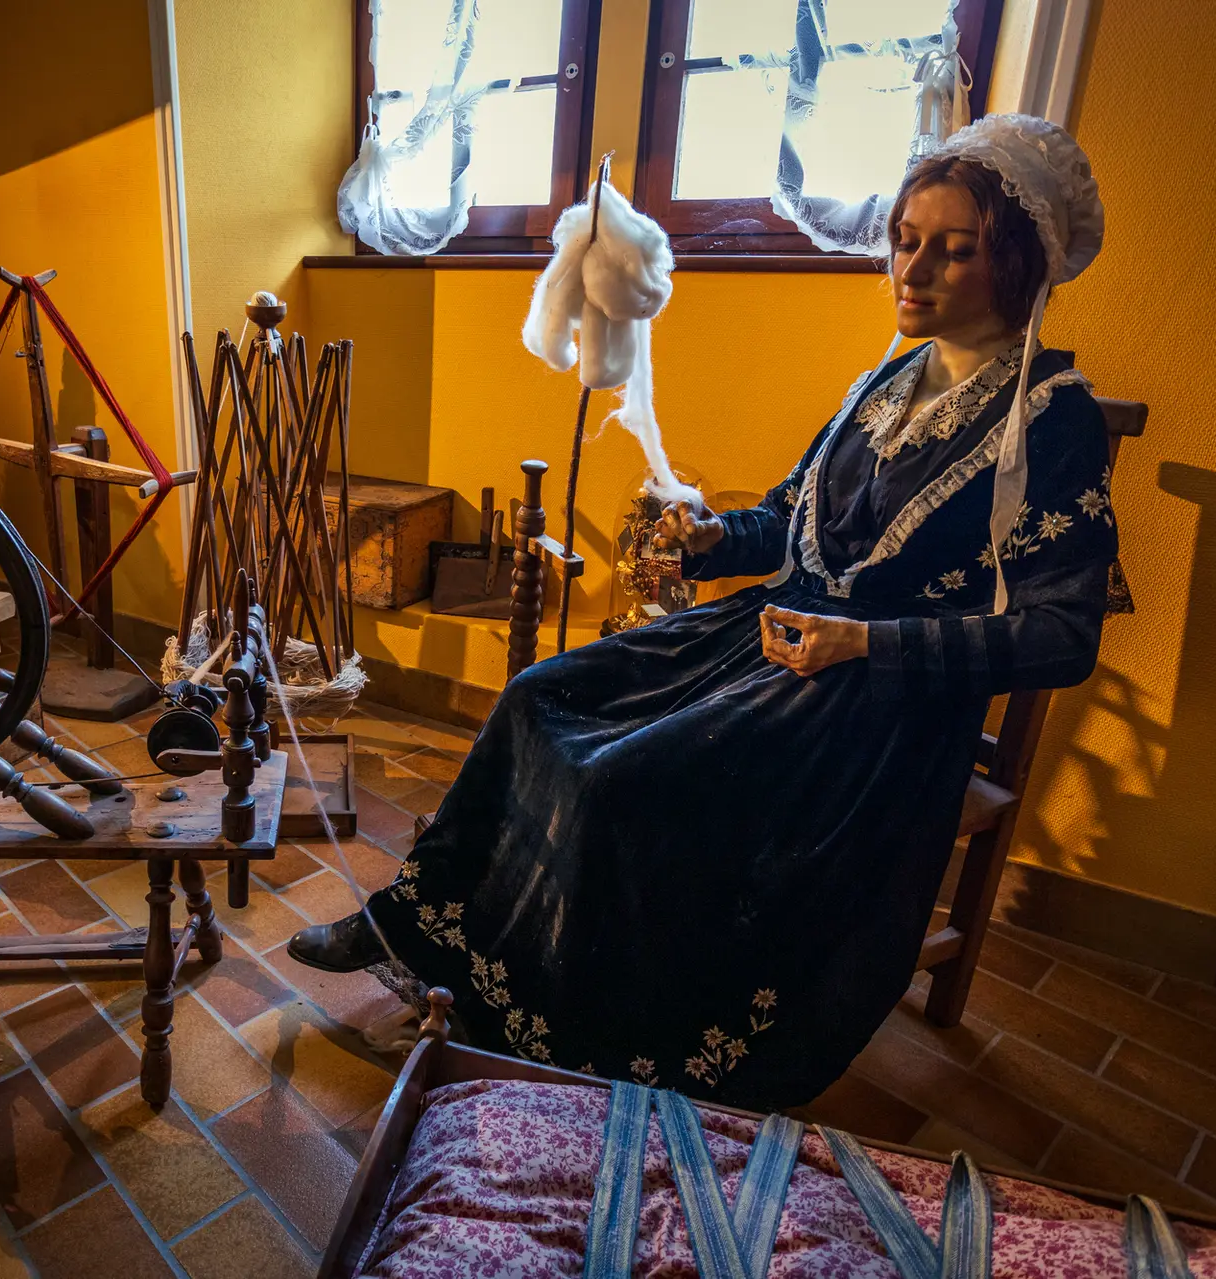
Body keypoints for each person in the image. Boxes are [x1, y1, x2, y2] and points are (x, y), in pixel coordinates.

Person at [287, 115, 1117, 1109]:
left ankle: (567, 1031)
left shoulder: (1053, 417)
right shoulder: (884, 384)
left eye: (955, 250)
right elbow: (791, 520)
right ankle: (419, 931)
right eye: (906, 240)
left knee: (616, 784)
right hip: (766, 641)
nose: (914, 269)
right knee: (539, 696)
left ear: (1023, 264)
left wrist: (869, 642)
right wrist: (719, 538)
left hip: (869, 711)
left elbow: (1064, 636)